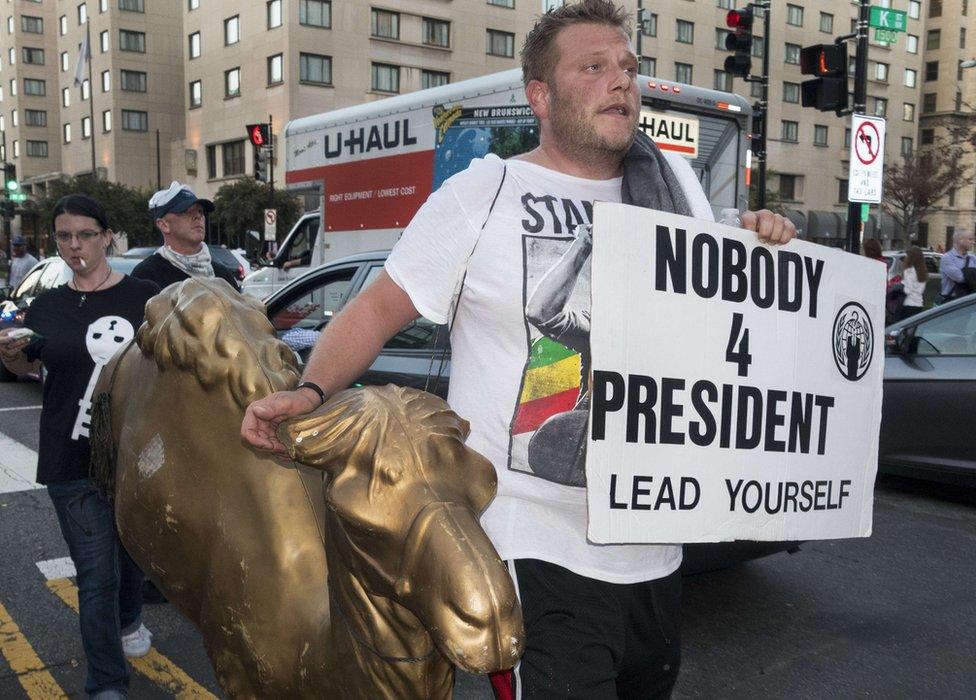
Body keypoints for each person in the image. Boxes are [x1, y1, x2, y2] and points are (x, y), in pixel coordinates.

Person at [241, 1, 795, 696]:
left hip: (657, 547)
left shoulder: (675, 187)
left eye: (628, 66)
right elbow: (376, 309)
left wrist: (758, 240)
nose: (622, 81)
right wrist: (312, 392)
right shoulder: (485, 193)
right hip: (535, 549)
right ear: (541, 94)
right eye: (593, 67)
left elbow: (714, 310)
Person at [0, 195, 159, 699]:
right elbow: (31, 371)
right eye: (64, 236)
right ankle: (106, 684)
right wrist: (14, 359)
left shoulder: (146, 298)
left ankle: (130, 618)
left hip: (135, 457)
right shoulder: (45, 305)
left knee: (132, 557)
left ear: (107, 236)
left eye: (85, 234)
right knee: (95, 575)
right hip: (70, 458)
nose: (74, 246)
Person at [131, 181, 239, 290]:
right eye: (186, 212)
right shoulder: (148, 274)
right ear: (163, 225)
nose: (197, 216)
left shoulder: (222, 274)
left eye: (200, 211)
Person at [938, 229, 976, 302]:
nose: (973, 242)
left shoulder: (973, 258)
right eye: (970, 239)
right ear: (960, 240)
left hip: (969, 301)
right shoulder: (947, 258)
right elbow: (960, 278)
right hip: (951, 302)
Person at [898, 246, 928, 320]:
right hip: (919, 303)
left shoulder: (909, 271)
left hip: (908, 303)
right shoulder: (923, 272)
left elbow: (907, 290)